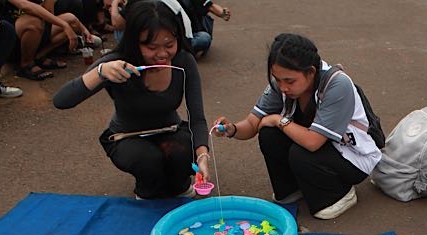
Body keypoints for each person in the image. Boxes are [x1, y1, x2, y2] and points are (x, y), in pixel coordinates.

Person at [213, 33, 381, 220]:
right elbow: (253, 123)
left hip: (353, 157)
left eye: (290, 81)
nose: (283, 86)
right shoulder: (282, 84)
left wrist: (279, 120)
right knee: (269, 135)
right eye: (277, 79)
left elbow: (312, 142)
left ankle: (340, 194)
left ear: (310, 72)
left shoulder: (337, 85)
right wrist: (232, 129)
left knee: (299, 152)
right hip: (321, 147)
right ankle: (292, 188)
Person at [53, 0, 210, 199]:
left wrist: (202, 155)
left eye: (169, 45)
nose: (162, 54)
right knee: (148, 161)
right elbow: (61, 101)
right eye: (152, 47)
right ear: (135, 42)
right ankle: (147, 190)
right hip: (127, 136)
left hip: (170, 131)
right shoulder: (117, 63)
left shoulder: (183, 61)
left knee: (182, 153)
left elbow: (197, 117)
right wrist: (101, 72)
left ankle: (180, 185)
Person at [0, 0, 92, 80]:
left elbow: (48, 13)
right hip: (7, 37)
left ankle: (39, 57)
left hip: (32, 36)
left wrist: (82, 28)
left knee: (71, 21)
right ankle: (26, 64)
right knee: (33, 23)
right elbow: (25, 6)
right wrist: (63, 25)